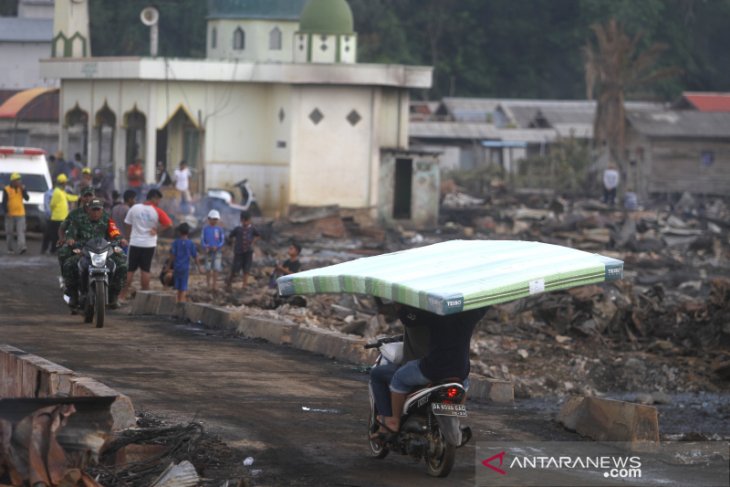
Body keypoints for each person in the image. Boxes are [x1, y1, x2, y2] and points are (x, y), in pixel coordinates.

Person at [383, 306, 488, 434]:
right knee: (463, 387)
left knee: (398, 379)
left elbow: (409, 320)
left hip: (433, 369)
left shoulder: (436, 312)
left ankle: (394, 420)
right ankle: (456, 421)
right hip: (460, 371)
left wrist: (399, 307)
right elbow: (484, 305)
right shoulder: (471, 314)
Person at [369, 301, 430, 442]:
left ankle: (388, 422)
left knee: (377, 374)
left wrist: (399, 305)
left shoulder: (411, 316)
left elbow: (400, 314)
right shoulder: (441, 318)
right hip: (451, 370)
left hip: (420, 367)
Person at [62, 198, 127, 308]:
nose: (96, 212)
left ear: (102, 210)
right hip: (84, 252)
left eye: (98, 210)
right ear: (88, 210)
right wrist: (70, 239)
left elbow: (115, 232)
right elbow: (71, 233)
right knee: (69, 264)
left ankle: (113, 296)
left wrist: (120, 239)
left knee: (122, 265)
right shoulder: (79, 221)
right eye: (94, 210)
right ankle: (73, 295)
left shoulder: (107, 220)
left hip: (104, 252)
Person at [120, 188, 173, 301]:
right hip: (149, 244)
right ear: (154, 198)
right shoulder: (157, 211)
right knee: (145, 270)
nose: (159, 202)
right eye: (158, 199)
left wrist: (129, 236)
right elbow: (169, 224)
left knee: (129, 270)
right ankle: (145, 295)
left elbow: (127, 223)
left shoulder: (135, 208)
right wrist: (157, 230)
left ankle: (122, 295)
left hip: (134, 243)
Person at [42, 174, 79, 255]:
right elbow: (52, 204)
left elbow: (69, 197)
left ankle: (54, 250)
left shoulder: (61, 192)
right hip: (57, 218)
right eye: (65, 183)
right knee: (55, 235)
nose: (66, 185)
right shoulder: (57, 192)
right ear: (62, 183)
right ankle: (53, 250)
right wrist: (55, 211)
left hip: (61, 218)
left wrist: (78, 197)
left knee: (59, 235)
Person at [225, 211, 260, 291]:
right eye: (244, 221)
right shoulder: (238, 229)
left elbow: (258, 236)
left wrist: (253, 242)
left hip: (248, 251)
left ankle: (244, 285)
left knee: (246, 268)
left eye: (247, 221)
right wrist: (232, 243)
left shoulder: (252, 229)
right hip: (239, 252)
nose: (246, 223)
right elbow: (230, 236)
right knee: (235, 268)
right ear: (241, 220)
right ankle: (229, 281)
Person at [168, 222, 201, 303]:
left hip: (176, 267)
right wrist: (200, 268)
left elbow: (172, 255)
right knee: (183, 288)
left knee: (178, 288)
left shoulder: (175, 242)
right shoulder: (190, 243)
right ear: (188, 232)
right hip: (185, 268)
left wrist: (168, 266)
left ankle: (178, 302)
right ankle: (181, 304)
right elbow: (195, 256)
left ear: (179, 232)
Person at [2, 173, 30, 255]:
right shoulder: (6, 189)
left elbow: (27, 198)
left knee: (20, 231)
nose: (19, 182)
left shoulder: (22, 188)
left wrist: (23, 190)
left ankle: (22, 247)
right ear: (13, 181)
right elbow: (4, 202)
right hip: (10, 215)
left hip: (20, 214)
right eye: (17, 180)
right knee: (9, 232)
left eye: (19, 180)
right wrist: (6, 212)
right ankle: (10, 248)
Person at [200, 209, 225, 291]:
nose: (214, 221)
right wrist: (206, 247)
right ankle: (208, 284)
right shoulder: (205, 229)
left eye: (215, 219)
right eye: (212, 219)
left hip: (217, 251)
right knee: (208, 268)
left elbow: (222, 240)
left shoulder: (219, 229)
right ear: (209, 219)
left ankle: (214, 284)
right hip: (208, 251)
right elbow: (202, 239)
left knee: (216, 268)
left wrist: (217, 246)